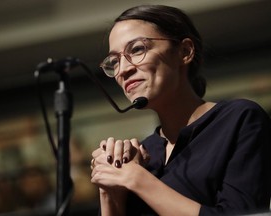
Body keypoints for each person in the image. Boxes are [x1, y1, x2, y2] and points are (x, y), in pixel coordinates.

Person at [90, 5, 271, 216]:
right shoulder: (144, 152)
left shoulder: (239, 119)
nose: (123, 70)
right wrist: (109, 188)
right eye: (114, 61)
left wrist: (136, 179)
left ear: (185, 51)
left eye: (137, 49)